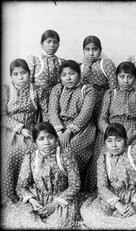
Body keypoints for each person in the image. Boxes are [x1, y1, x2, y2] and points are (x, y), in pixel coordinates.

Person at [1, 122, 81, 229]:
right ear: (35, 143)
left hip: (61, 198)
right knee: (22, 220)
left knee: (58, 225)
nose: (46, 142)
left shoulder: (65, 155)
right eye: (41, 139)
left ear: (56, 139)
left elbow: (74, 185)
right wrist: (33, 201)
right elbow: (21, 186)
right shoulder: (31, 158)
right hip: (38, 197)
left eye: (50, 137)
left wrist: (54, 204)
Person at [80, 123, 136, 229]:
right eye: (109, 141)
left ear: (126, 140)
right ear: (105, 142)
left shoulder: (135, 151)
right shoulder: (103, 157)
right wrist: (117, 204)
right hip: (113, 198)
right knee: (94, 215)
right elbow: (102, 186)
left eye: (118, 140)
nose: (114, 145)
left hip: (135, 196)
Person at [48, 60, 97, 192]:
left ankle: (71, 188)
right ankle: (54, 188)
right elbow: (52, 112)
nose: (68, 78)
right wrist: (59, 132)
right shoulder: (57, 89)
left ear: (79, 75)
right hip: (58, 128)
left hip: (82, 129)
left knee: (71, 150)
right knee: (50, 149)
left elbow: (85, 114)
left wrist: (69, 131)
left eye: (72, 74)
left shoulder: (88, 90)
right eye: (64, 75)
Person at [1, 59, 45, 203]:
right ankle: (10, 194)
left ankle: (31, 192)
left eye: (23, 73)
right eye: (16, 74)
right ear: (11, 76)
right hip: (11, 130)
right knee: (11, 153)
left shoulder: (36, 90)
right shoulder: (6, 90)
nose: (20, 77)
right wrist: (19, 129)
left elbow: (46, 112)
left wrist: (42, 130)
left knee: (34, 153)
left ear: (29, 73)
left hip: (32, 130)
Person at [98, 61, 136, 156]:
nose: (125, 81)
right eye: (122, 77)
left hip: (133, 133)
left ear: (135, 78)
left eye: (129, 77)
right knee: (104, 153)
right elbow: (102, 119)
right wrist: (111, 132)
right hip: (111, 130)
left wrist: (133, 135)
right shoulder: (110, 94)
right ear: (117, 77)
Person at [27, 29, 65, 121]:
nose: (52, 45)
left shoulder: (61, 62)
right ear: (41, 44)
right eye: (48, 41)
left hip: (56, 102)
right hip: (37, 102)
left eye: (55, 42)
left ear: (58, 45)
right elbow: (28, 83)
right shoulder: (35, 59)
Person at [80, 35, 118, 124]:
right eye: (87, 49)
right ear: (83, 51)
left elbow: (114, 87)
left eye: (94, 49)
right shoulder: (82, 67)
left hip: (103, 103)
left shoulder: (106, 63)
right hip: (87, 105)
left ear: (100, 50)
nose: (91, 53)